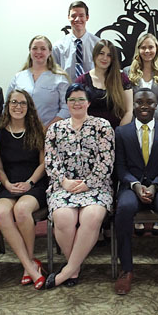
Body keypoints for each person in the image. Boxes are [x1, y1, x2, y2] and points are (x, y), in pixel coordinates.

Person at [44, 83, 115, 289]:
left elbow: (106, 161)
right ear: (66, 103)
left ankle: (68, 270)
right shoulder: (55, 129)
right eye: (72, 99)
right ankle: (74, 269)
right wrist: (63, 181)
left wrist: (88, 183)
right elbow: (50, 160)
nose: (77, 103)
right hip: (63, 186)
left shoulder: (102, 126)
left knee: (91, 217)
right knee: (63, 218)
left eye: (81, 99)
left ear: (89, 102)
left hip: (96, 186)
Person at [113, 89, 158, 295]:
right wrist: (135, 185)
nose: (144, 106)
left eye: (149, 102)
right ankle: (126, 270)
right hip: (131, 185)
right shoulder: (121, 132)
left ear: (157, 106)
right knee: (124, 208)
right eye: (139, 102)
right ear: (132, 105)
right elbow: (120, 168)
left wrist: (155, 186)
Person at [0, 89, 48, 290]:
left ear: (29, 107)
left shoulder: (38, 130)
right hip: (9, 184)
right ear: (7, 106)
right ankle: (30, 264)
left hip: (35, 184)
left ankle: (29, 263)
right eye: (14, 102)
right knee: (1, 212)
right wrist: (6, 183)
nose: (18, 106)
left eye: (23, 103)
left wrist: (30, 183)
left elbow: (43, 164)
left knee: (22, 210)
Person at [7, 35, 70, 129]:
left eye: (43, 49)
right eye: (35, 48)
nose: (38, 52)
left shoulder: (60, 79)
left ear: (50, 52)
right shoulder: (19, 77)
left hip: (49, 133)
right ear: (30, 51)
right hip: (20, 132)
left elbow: (66, 108)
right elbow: (7, 104)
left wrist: (48, 129)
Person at [74, 39, 134, 128]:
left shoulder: (122, 78)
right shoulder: (82, 81)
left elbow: (129, 111)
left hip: (116, 132)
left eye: (109, 55)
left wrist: (119, 132)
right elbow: (76, 111)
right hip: (89, 134)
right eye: (101, 53)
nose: (105, 58)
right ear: (95, 54)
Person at [123, 33, 158, 125]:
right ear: (138, 50)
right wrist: (135, 124)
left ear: (156, 49)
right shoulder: (127, 72)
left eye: (151, 47)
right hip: (134, 125)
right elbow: (125, 103)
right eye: (143, 48)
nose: (147, 51)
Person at [52, 1, 100, 82]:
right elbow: (53, 74)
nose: (77, 19)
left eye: (81, 16)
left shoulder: (98, 44)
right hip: (67, 92)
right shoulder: (58, 47)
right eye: (73, 16)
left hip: (92, 92)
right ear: (68, 17)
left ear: (87, 17)